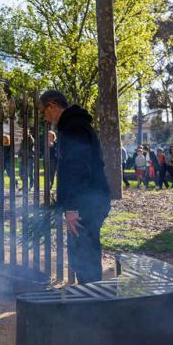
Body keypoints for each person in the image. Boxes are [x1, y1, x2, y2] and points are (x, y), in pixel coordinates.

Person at [39, 90, 110, 283]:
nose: (44, 118)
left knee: (84, 255)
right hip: (88, 201)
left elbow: (77, 170)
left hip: (85, 204)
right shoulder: (73, 125)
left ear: (52, 106)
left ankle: (91, 303)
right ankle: (90, 298)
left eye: (43, 111)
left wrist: (71, 207)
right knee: (84, 253)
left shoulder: (74, 127)